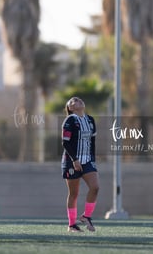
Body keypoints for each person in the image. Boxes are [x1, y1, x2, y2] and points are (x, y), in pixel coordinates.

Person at [61, 97, 99, 232]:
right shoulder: (70, 121)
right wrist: (75, 160)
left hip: (87, 160)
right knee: (74, 193)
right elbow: (65, 143)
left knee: (95, 187)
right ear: (70, 108)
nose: (78, 101)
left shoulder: (90, 120)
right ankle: (71, 225)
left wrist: (93, 158)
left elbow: (93, 141)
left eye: (79, 100)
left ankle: (86, 216)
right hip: (71, 161)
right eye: (73, 101)